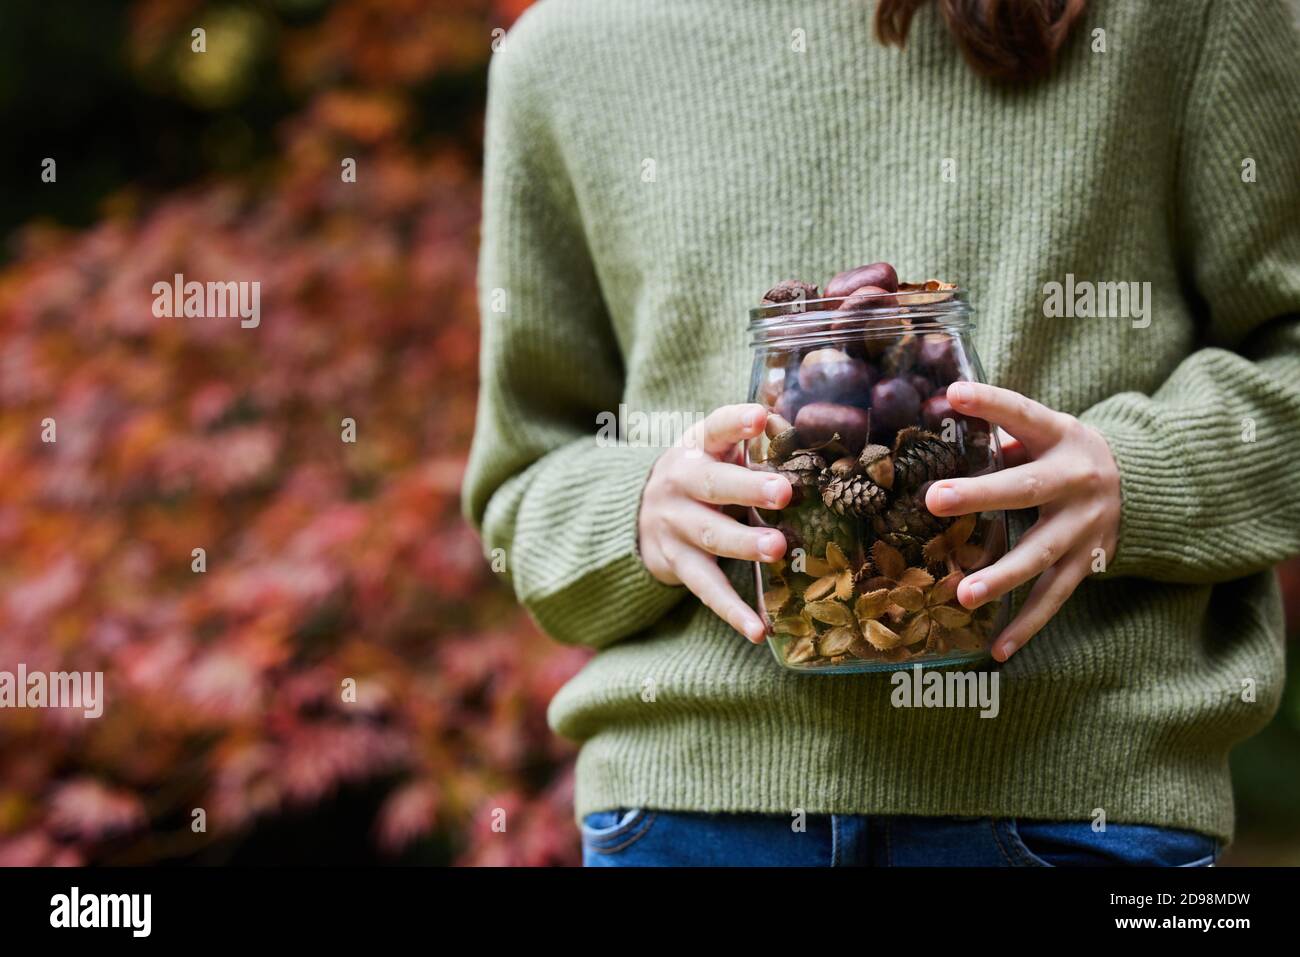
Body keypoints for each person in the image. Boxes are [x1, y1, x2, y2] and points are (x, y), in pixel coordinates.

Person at [464, 0, 1300, 866]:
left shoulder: (1191, 16)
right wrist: (640, 509)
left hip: (1072, 804)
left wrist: (1136, 475)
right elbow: (524, 481)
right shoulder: (562, 51)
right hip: (688, 814)